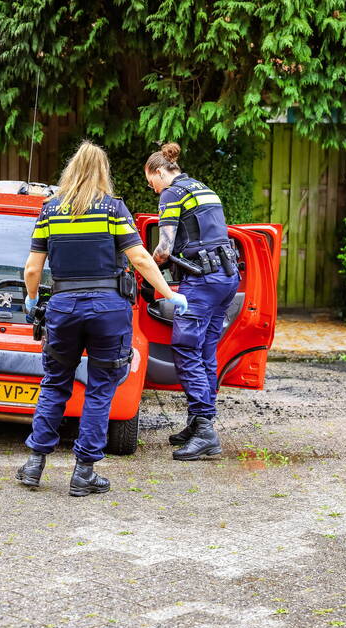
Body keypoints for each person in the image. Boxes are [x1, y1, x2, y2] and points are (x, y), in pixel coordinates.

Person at [18, 141, 188, 496]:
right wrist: (169, 293)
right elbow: (140, 258)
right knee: (99, 389)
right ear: (102, 172)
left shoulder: (50, 210)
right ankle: (84, 473)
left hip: (63, 308)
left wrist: (32, 300)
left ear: (71, 169)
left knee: (55, 383)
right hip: (107, 310)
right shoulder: (113, 209)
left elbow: (33, 267)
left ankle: (35, 464)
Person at [144, 142, 240, 460]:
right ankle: (199, 421)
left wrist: (143, 270)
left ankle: (204, 433)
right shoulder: (203, 189)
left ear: (160, 172)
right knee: (205, 351)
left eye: (151, 181)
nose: (152, 188)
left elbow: (164, 249)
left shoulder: (172, 193)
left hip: (202, 281)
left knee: (186, 350)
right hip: (226, 278)